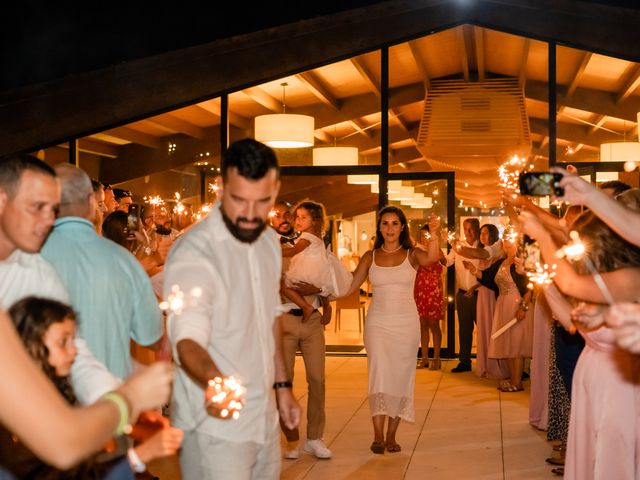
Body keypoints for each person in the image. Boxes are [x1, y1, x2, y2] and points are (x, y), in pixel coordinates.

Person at [164, 138, 300, 480]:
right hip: (214, 426)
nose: (252, 215)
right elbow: (186, 340)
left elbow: (269, 316)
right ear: (222, 187)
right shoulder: (196, 252)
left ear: (276, 190)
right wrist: (216, 382)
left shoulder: (268, 241)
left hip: (264, 417)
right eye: (239, 200)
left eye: (263, 202)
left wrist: (282, 388)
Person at [1, 296, 184, 478]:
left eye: (73, 340)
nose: (75, 351)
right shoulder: (21, 414)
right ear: (32, 345)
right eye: (63, 342)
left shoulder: (56, 395)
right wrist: (140, 454)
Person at [42, 164, 163, 380]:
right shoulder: (123, 260)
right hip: (108, 394)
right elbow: (151, 336)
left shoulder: (28, 256)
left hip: (46, 396)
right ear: (90, 203)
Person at [345, 206, 440, 454]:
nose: (389, 228)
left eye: (394, 223)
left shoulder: (412, 254)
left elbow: (433, 258)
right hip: (378, 323)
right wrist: (324, 286)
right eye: (385, 223)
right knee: (379, 374)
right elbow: (350, 285)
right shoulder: (370, 256)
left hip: (406, 324)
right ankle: (377, 435)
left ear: (402, 227)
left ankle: (391, 435)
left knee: (401, 377)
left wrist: (434, 234)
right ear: (379, 227)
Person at [270, 199, 332, 460]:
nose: (287, 219)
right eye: (280, 215)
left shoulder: (308, 245)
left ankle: (315, 438)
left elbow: (324, 277)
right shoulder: (269, 248)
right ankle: (291, 439)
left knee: (317, 379)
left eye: (290, 214)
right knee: (284, 383)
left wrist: (322, 297)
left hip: (312, 321)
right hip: (284, 320)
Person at [480, 235, 533, 392]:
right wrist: (474, 270)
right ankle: (513, 379)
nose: (505, 241)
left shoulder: (521, 260)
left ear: (515, 241)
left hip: (517, 304)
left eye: (508, 238)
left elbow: (530, 286)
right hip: (503, 305)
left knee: (516, 344)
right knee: (509, 344)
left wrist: (523, 307)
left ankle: (517, 383)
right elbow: (489, 280)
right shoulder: (501, 262)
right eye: (504, 238)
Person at [282, 200, 350, 324]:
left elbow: (294, 251)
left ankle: (305, 307)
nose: (298, 220)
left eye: (303, 217)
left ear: (314, 221)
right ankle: (326, 307)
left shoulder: (306, 237)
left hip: (308, 268)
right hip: (318, 268)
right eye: (297, 216)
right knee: (321, 287)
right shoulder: (317, 235)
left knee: (285, 287)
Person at [462, 223, 509, 379]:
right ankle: (484, 365)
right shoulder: (484, 253)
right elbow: (482, 278)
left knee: (493, 327)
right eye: (481, 233)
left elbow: (491, 277)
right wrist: (473, 286)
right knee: (483, 329)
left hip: (492, 294)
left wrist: (473, 270)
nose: (482, 236)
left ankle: (497, 366)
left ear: (493, 235)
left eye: (486, 233)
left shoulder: (497, 253)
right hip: (482, 294)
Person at [446, 218, 481, 372]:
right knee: (464, 330)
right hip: (461, 294)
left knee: (484, 330)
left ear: (477, 229)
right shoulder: (457, 246)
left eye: (471, 229)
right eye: (465, 228)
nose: (468, 232)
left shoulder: (483, 247)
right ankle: (465, 361)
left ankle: (487, 361)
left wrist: (476, 286)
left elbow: (488, 273)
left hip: (480, 294)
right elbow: (447, 262)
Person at [413, 223, 446, 370]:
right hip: (420, 290)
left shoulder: (436, 250)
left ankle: (437, 358)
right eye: (422, 235)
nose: (424, 238)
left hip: (434, 291)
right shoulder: (417, 251)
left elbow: (445, 263)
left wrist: (439, 251)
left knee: (434, 324)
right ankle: (424, 357)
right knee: (422, 324)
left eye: (426, 235)